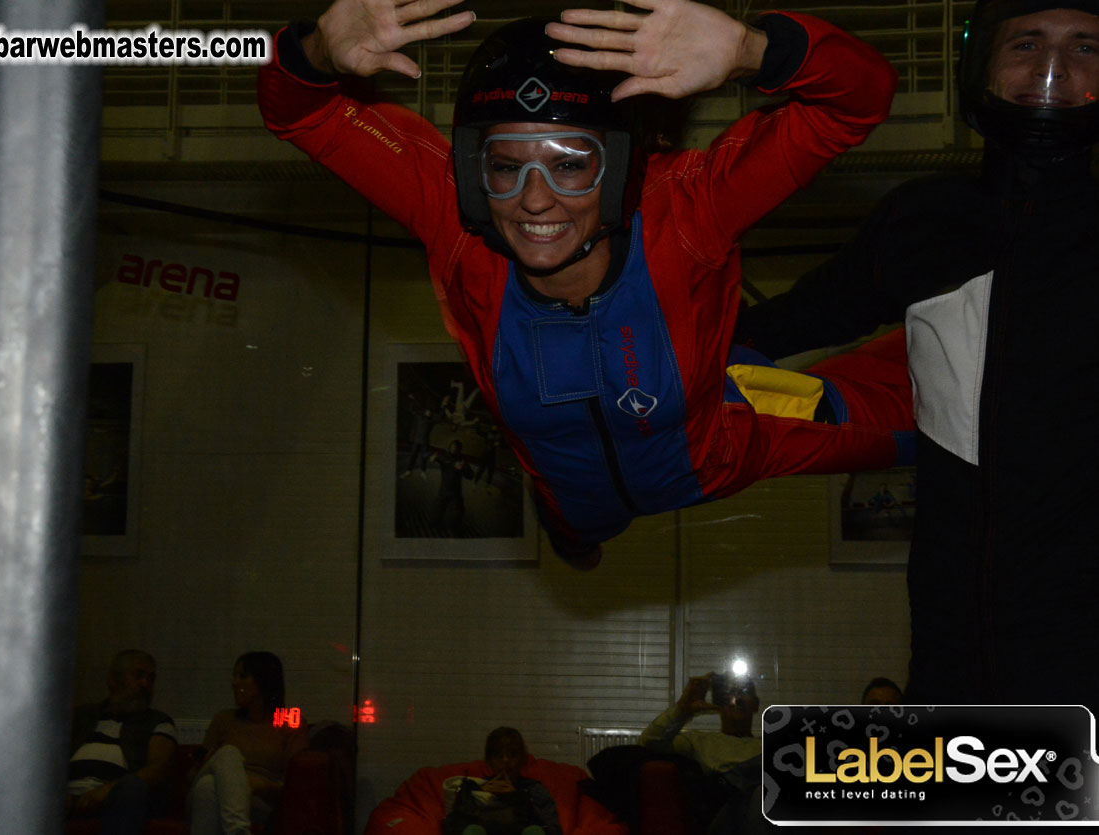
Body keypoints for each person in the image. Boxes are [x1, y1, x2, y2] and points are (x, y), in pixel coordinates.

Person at [259, 0, 913, 568]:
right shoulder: (453, 216)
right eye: (505, 166)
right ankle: (574, 539)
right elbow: (299, 114)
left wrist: (753, 50)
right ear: (472, 172)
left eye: (571, 164)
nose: (533, 202)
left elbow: (860, 99)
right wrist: (315, 48)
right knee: (576, 535)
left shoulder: (688, 211)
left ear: (619, 166)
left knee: (930, 424)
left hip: (719, 442)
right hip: (573, 503)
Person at [733, 0, 1099, 708]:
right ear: (979, 67)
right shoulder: (925, 220)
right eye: (1025, 42)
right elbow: (780, 325)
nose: (1052, 67)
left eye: (1085, 45)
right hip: (949, 633)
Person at [188, 651, 309, 835]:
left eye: (242, 676)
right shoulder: (224, 719)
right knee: (227, 754)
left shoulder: (289, 722)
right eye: (234, 676)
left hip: (257, 800)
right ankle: (238, 831)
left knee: (208, 787)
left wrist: (259, 784)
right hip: (213, 784)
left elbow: (296, 786)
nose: (234, 683)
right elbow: (192, 774)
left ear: (264, 681)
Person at [66, 649, 178, 834]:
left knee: (132, 789)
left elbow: (158, 770)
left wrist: (105, 791)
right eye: (139, 675)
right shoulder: (82, 716)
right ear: (113, 680)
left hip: (118, 797)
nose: (146, 684)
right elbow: (47, 759)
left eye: (151, 679)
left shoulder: (158, 722)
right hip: (68, 796)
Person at [640, 672, 763, 833]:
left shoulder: (771, 745)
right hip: (725, 817)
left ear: (755, 704)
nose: (737, 698)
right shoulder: (699, 741)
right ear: (719, 702)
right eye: (730, 693)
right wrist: (683, 709)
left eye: (744, 692)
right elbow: (648, 743)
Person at [441, 727, 561, 835]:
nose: (505, 760)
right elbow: (452, 827)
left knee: (534, 832)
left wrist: (517, 798)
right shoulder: (476, 788)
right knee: (473, 830)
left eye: (512, 755)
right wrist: (482, 796)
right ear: (489, 761)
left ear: (522, 759)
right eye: (499, 755)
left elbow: (553, 829)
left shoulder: (534, 790)